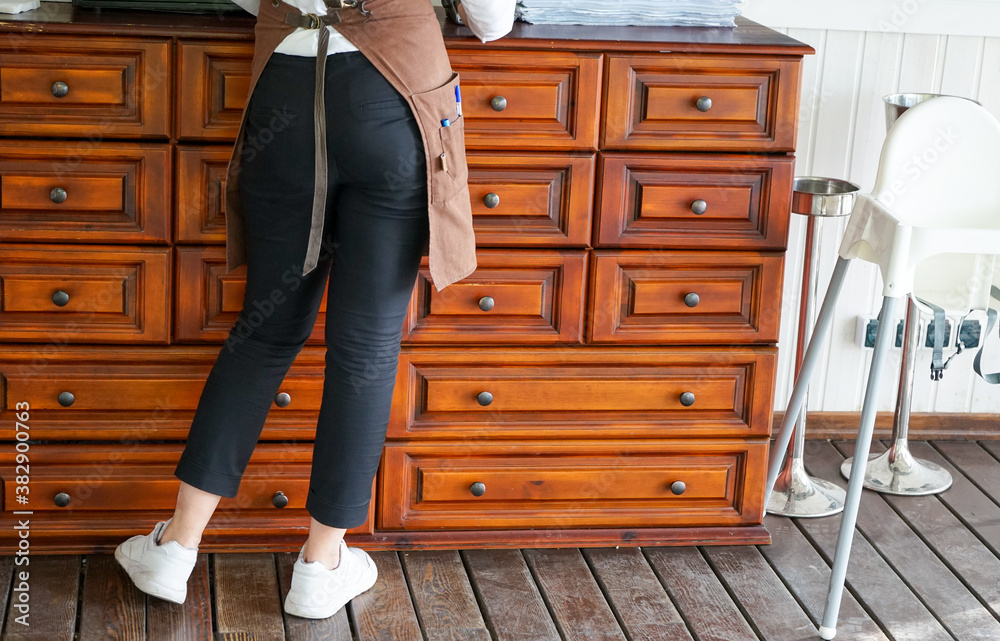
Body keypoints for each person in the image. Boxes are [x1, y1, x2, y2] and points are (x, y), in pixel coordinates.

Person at [114, 0, 516, 619]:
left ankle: (175, 546)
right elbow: (491, 20)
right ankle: (320, 566)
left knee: (264, 334)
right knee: (366, 349)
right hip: (395, 100)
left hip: (287, 93)